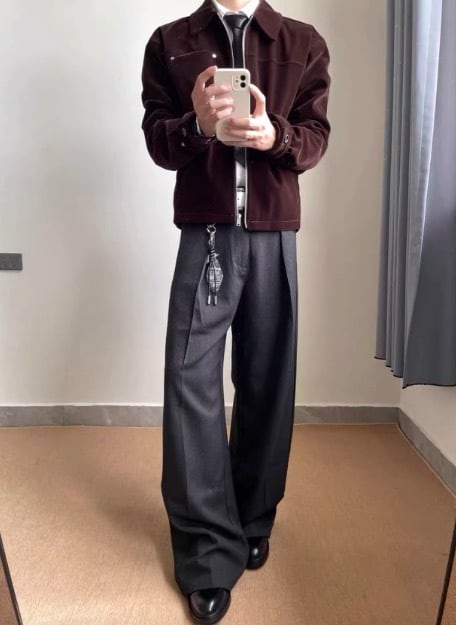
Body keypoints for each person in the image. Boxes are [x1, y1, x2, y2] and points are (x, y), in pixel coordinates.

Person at [140, 0, 331, 622]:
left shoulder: (301, 41)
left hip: (275, 237)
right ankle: (205, 549)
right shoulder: (170, 41)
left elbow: (316, 135)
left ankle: (252, 518)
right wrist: (197, 125)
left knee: (268, 378)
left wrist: (276, 137)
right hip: (206, 234)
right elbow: (158, 141)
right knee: (189, 381)